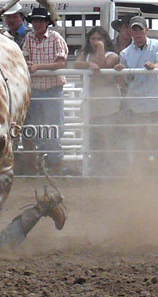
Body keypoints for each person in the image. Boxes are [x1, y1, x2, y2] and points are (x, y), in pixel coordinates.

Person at [22, 7, 68, 175]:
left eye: (40, 21)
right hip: (35, 90)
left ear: (47, 22)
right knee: (36, 129)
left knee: (53, 128)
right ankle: (49, 162)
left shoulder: (56, 37)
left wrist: (37, 67)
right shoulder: (29, 37)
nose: (37, 24)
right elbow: (25, 58)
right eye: (35, 21)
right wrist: (31, 66)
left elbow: (61, 63)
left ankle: (55, 164)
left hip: (52, 90)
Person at [74, 26, 121, 175]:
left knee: (107, 136)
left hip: (108, 102)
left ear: (105, 40)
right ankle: (95, 169)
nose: (95, 41)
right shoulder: (85, 54)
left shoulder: (113, 55)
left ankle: (109, 170)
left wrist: (100, 48)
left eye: (99, 39)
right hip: (92, 102)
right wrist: (88, 64)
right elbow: (76, 64)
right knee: (93, 137)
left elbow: (102, 65)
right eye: (93, 39)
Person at [114, 16, 158, 174]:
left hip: (155, 102)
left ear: (146, 29)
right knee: (140, 139)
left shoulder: (156, 45)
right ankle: (141, 173)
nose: (138, 32)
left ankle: (151, 173)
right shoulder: (125, 53)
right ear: (130, 31)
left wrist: (155, 66)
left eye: (140, 29)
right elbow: (124, 82)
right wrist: (120, 71)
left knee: (154, 140)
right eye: (135, 29)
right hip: (137, 104)